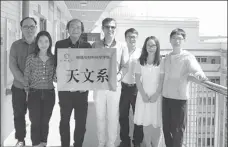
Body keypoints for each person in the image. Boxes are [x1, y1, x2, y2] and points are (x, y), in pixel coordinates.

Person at [162, 28, 208, 147]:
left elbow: (195, 68)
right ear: (170, 40)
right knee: (166, 129)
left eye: (179, 38)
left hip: (179, 99)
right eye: (174, 38)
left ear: (184, 40)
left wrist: (199, 75)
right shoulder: (167, 57)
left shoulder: (187, 56)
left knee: (177, 130)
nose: (176, 41)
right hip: (166, 98)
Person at [54, 19, 92, 147]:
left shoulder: (87, 46)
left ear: (82, 30)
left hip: (81, 91)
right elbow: (56, 64)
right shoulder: (60, 44)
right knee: (64, 120)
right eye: (72, 27)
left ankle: (78, 144)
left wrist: (87, 85)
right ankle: (65, 144)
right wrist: (55, 74)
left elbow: (91, 68)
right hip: (65, 91)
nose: (75, 29)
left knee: (81, 121)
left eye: (78, 27)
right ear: (67, 29)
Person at [92, 17, 129, 147]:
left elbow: (125, 66)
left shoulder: (122, 46)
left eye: (113, 27)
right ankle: (101, 144)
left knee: (113, 117)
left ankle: (111, 144)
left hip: (114, 87)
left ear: (115, 29)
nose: (110, 29)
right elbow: (90, 63)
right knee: (100, 117)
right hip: (99, 86)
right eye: (107, 27)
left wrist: (118, 77)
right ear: (102, 29)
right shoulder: (95, 45)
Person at [24, 31, 55, 147]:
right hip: (34, 93)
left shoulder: (53, 59)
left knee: (45, 122)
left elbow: (56, 78)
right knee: (35, 122)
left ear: (50, 43)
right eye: (41, 41)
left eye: (46, 41)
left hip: (49, 93)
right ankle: (36, 144)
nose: (43, 44)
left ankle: (43, 143)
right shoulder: (31, 58)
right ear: (37, 43)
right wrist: (26, 93)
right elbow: (26, 76)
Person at [9, 17, 37, 147]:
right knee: (19, 114)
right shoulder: (15, 45)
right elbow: (13, 66)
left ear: (36, 28)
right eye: (26, 27)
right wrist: (25, 81)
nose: (29, 29)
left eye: (32, 26)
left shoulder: (41, 44)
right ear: (21, 29)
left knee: (36, 116)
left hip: (37, 88)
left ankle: (36, 140)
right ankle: (21, 139)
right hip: (19, 87)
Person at [134, 36, 164, 147]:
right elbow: (137, 79)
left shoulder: (161, 61)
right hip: (144, 96)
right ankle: (147, 144)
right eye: (148, 45)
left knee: (156, 123)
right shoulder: (140, 61)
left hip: (156, 96)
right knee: (145, 123)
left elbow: (161, 79)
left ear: (157, 47)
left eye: (153, 45)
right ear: (145, 47)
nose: (150, 47)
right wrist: (143, 95)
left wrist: (156, 94)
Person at [118, 28, 143, 147]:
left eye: (134, 37)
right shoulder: (121, 51)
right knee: (123, 115)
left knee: (138, 116)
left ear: (137, 38)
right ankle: (125, 140)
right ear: (125, 38)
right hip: (123, 87)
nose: (132, 39)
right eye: (129, 37)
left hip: (136, 88)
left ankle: (137, 141)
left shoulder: (141, 52)